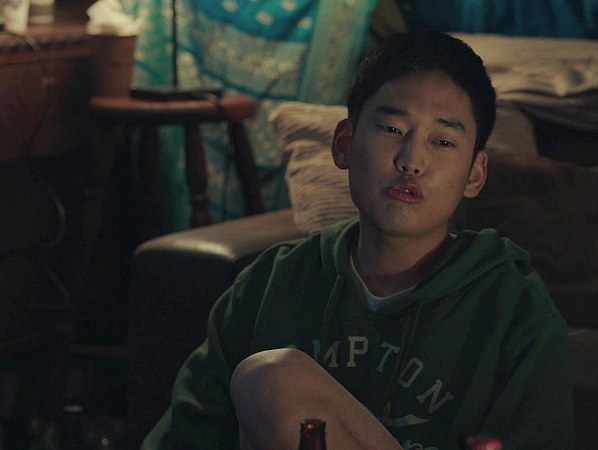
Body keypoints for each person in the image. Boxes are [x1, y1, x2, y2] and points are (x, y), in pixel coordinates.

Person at [142, 30, 575, 449]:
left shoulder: (513, 307)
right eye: (391, 129)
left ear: (475, 175)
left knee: (274, 380)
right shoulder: (272, 285)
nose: (412, 161)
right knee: (270, 379)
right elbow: (186, 435)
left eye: (443, 141)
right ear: (345, 144)